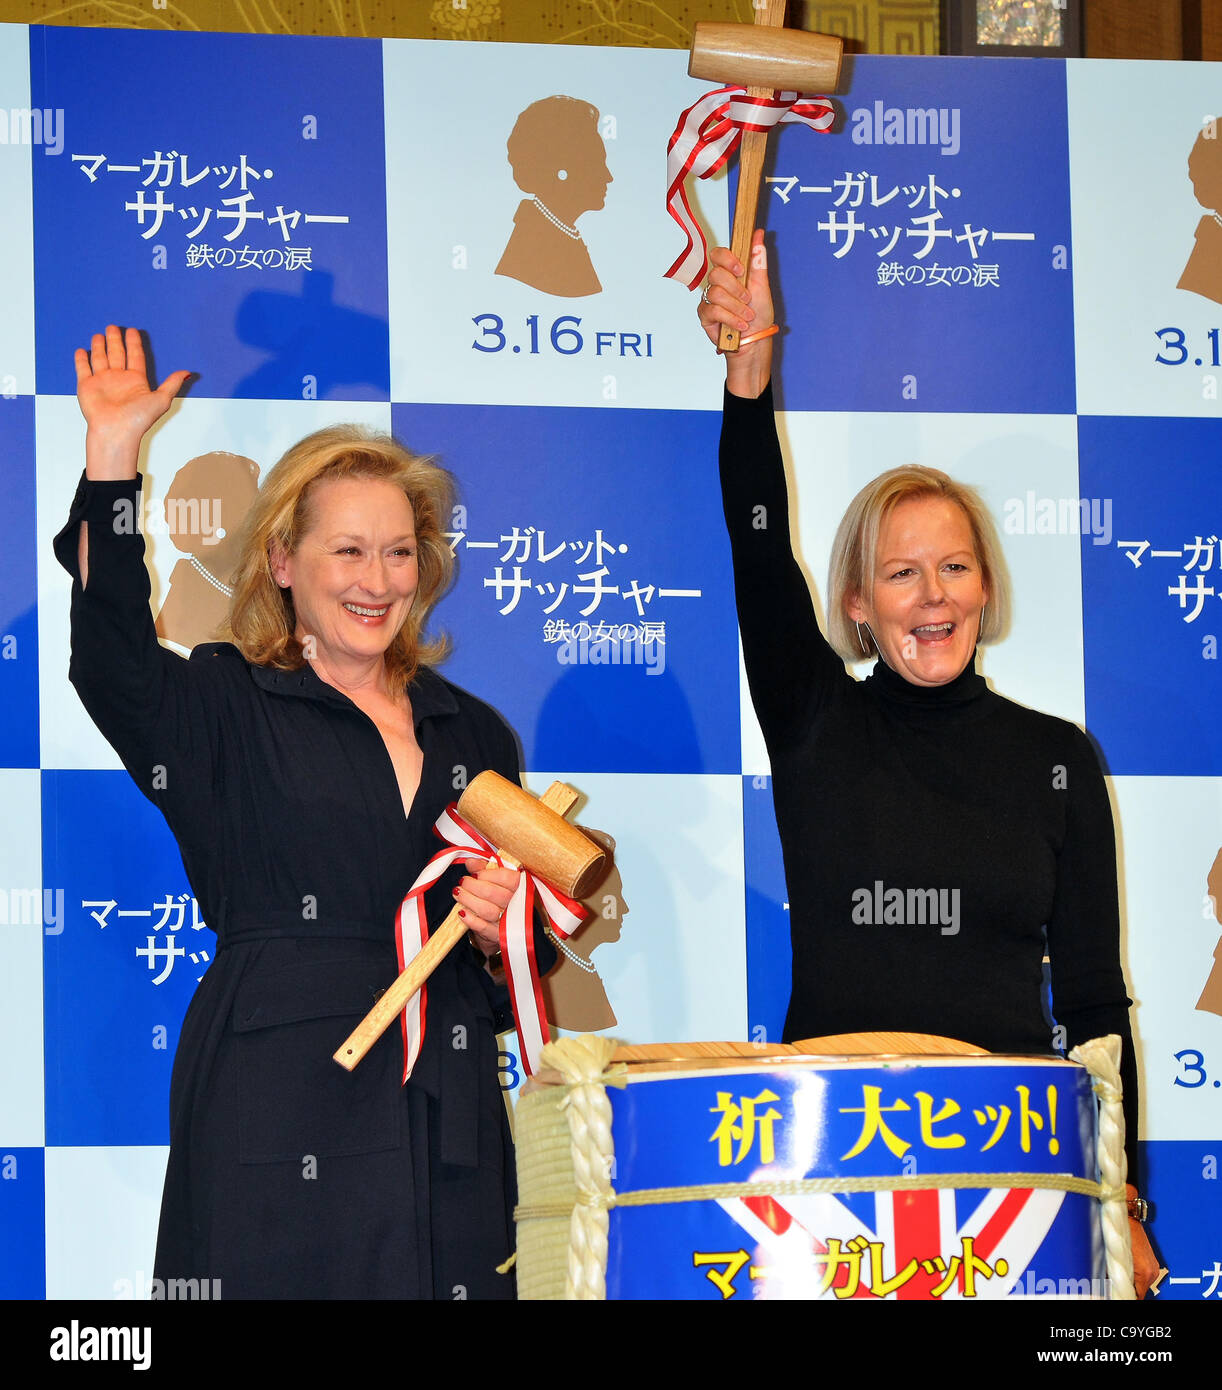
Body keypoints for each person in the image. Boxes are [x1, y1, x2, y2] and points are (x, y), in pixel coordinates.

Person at [698, 233, 1159, 1297]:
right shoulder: (816, 722)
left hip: (1016, 1174)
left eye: (954, 566)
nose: (933, 594)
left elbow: (1093, 1003)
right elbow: (757, 546)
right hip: (830, 1162)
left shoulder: (1056, 760)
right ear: (856, 604)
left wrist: (1121, 1199)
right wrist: (747, 385)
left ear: (986, 588)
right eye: (900, 573)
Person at [55, 325, 552, 1299]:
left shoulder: (473, 734)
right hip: (282, 1098)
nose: (379, 581)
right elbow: (108, 652)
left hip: (447, 1104)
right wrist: (112, 458)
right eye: (349, 550)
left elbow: (499, 969)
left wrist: (500, 941)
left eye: (402, 551)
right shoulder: (222, 704)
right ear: (283, 562)